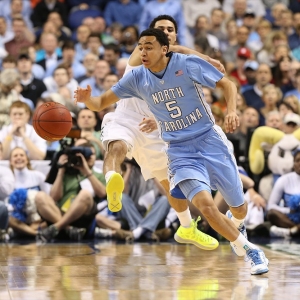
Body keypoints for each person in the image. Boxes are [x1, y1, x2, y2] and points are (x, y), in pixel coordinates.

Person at [75, 28, 269, 275]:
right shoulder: (136, 77)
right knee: (206, 206)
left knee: (239, 208)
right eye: (140, 47)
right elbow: (101, 102)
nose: (143, 52)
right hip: (179, 151)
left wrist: (231, 110)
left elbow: (227, 84)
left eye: (149, 47)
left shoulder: (186, 64)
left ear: (164, 49)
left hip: (209, 140)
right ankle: (252, 251)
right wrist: (86, 100)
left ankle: (237, 222)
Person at [98, 15, 226, 251]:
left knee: (170, 185)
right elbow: (173, 48)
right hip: (126, 119)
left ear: (175, 36)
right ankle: (111, 183)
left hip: (155, 131)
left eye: (170, 29)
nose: (165, 32)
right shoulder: (142, 54)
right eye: (160, 29)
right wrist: (208, 58)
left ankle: (187, 227)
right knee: (116, 147)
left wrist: (159, 120)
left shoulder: (179, 70)